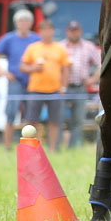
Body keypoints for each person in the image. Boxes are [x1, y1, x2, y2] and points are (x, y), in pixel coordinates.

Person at [20, 20, 71, 151]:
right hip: (35, 89)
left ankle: (52, 149)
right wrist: (33, 68)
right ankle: (30, 148)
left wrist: (63, 87)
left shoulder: (60, 48)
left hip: (55, 90)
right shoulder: (33, 47)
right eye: (44, 30)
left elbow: (66, 68)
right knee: (31, 121)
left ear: (53, 31)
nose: (47, 32)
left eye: (49, 30)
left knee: (55, 122)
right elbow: (22, 66)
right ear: (40, 32)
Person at [0, 9, 40, 150]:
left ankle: (30, 146)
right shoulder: (9, 38)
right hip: (15, 81)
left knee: (31, 115)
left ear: (31, 23)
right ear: (16, 23)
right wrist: (4, 72)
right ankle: (7, 146)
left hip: (33, 81)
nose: (24, 24)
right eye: (21, 21)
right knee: (11, 113)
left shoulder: (36, 39)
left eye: (27, 21)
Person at [61, 20, 100, 148]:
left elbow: (101, 63)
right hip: (62, 88)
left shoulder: (88, 46)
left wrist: (93, 79)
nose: (74, 33)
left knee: (78, 120)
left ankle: (74, 146)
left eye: (76, 30)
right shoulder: (60, 46)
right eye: (72, 31)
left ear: (80, 31)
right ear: (67, 32)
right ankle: (57, 146)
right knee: (60, 118)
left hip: (80, 87)